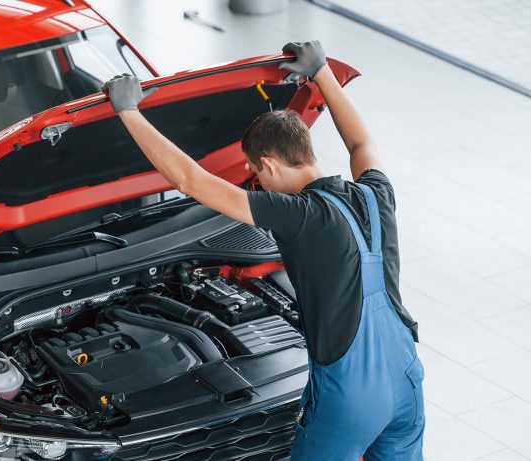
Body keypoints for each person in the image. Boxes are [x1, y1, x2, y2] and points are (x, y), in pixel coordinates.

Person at [102, 41, 424, 460]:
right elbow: (361, 145)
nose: (256, 182)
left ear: (269, 164)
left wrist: (128, 112)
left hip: (352, 393)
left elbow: (190, 181)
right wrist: (321, 71)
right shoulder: (374, 194)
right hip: (405, 372)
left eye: (255, 172)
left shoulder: (300, 214)